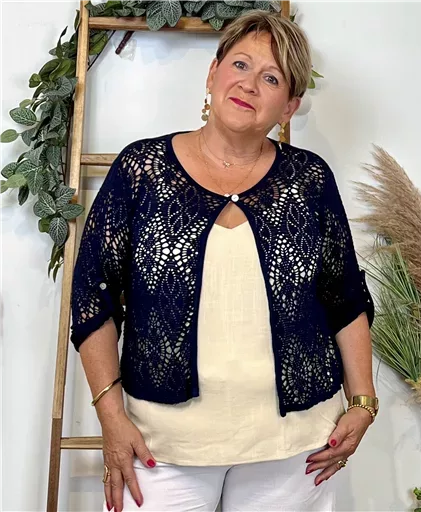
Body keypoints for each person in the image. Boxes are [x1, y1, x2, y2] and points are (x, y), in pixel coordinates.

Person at [70, 10, 377, 512]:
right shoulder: (141, 170)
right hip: (161, 443)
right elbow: (92, 296)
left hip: (297, 446)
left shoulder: (309, 180)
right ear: (213, 73)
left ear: (289, 106)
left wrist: (363, 402)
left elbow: (343, 297)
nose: (249, 84)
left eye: (271, 78)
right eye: (240, 65)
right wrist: (111, 417)